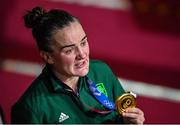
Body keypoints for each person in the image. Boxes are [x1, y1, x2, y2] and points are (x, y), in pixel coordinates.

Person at [11, 6, 145, 124]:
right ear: (48, 57)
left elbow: (120, 116)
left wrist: (129, 122)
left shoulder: (101, 71)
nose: (82, 54)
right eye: (69, 50)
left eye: (83, 42)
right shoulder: (31, 108)